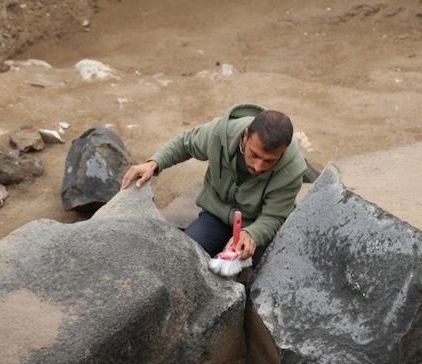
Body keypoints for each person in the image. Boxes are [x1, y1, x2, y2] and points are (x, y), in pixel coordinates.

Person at [121, 103, 306, 266]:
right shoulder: (221, 133)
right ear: (246, 136)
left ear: (283, 151)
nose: (258, 166)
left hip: (255, 224)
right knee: (185, 256)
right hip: (215, 217)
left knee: (259, 275)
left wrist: (252, 234)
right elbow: (185, 144)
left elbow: (274, 216)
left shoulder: (293, 168)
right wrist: (154, 163)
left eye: (269, 161)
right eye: (254, 155)